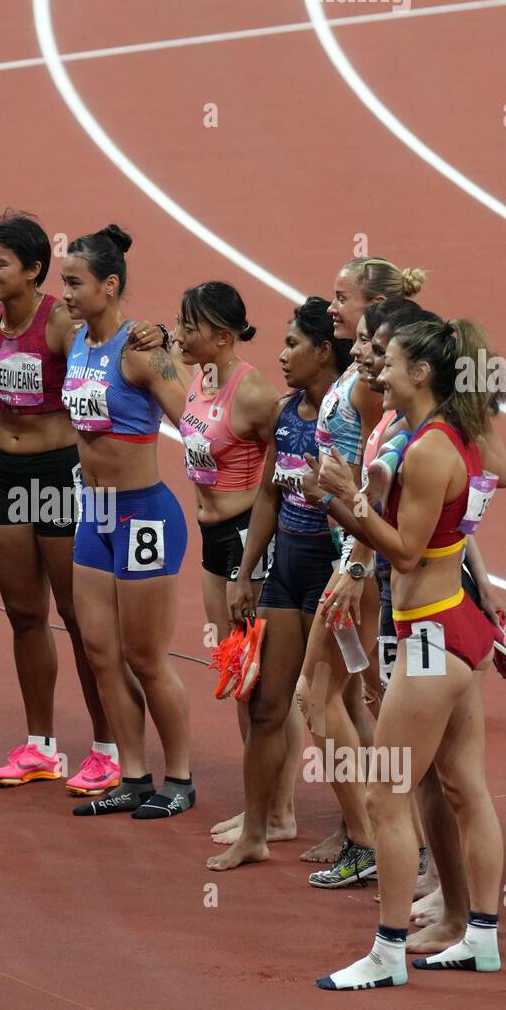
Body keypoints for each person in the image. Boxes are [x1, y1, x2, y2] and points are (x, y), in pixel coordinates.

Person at [313, 315, 504, 989]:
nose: (378, 371)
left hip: (429, 635)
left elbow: (403, 551)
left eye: (388, 362)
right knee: (461, 785)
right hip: (456, 625)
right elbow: (485, 486)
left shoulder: (426, 450)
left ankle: (386, 953)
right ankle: (480, 935)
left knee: (387, 794)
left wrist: (340, 501)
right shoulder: (459, 433)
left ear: (420, 373)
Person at [0, 213, 121, 793]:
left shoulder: (61, 325)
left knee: (77, 615)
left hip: (57, 475)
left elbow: (111, 353)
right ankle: (40, 746)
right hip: (5, 474)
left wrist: (151, 338)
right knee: (23, 614)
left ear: (34, 271)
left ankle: (108, 747)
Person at [207, 298, 352, 866]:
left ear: (323, 350)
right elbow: (268, 493)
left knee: (331, 708)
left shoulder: (346, 418)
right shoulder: (288, 413)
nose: (283, 354)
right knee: (267, 705)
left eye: (294, 344)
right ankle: (257, 833)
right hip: (286, 567)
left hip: (328, 570)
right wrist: (246, 573)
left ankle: (354, 828)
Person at [295, 257, 427, 877]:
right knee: (362, 699)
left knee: (318, 699)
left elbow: (381, 476)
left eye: (342, 298)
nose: (331, 307)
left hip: (359, 558)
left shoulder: (375, 386)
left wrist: (358, 558)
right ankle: (389, 833)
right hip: (349, 547)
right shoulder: (358, 370)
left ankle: (368, 839)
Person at [59, 225, 193, 819]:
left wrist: (166, 341)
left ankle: (181, 778)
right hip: (97, 513)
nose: (63, 292)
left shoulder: (140, 351)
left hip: (145, 515)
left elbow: (196, 415)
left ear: (110, 286)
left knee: (145, 656)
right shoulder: (77, 341)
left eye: (74, 282)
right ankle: (134, 775)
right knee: (100, 652)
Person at [165, 281, 304, 850]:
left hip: (248, 542)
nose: (181, 332)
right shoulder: (199, 374)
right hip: (209, 537)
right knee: (238, 677)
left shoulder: (253, 394)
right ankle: (258, 806)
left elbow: (290, 455)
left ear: (222, 335)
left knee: (267, 684)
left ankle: (281, 810)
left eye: (190, 325)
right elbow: (157, 353)